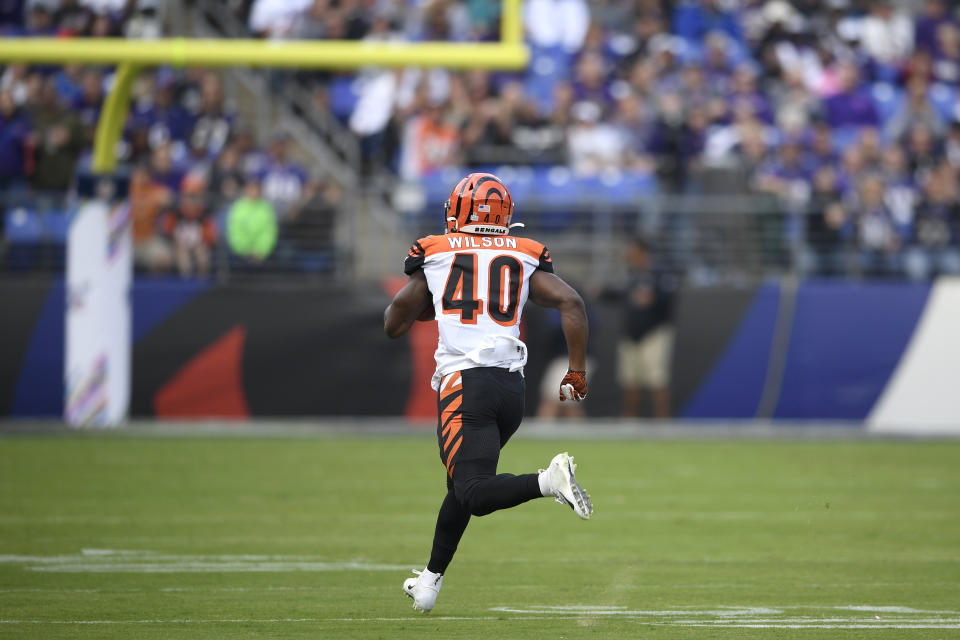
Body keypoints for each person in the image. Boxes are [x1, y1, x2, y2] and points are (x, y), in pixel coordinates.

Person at [383, 172, 592, 614]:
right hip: (509, 390)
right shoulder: (523, 253)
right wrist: (575, 370)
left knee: (473, 491)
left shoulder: (439, 252)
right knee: (459, 486)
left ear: (459, 211)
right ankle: (430, 580)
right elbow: (571, 302)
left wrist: (430, 304)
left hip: (466, 384)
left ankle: (548, 481)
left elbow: (394, 322)